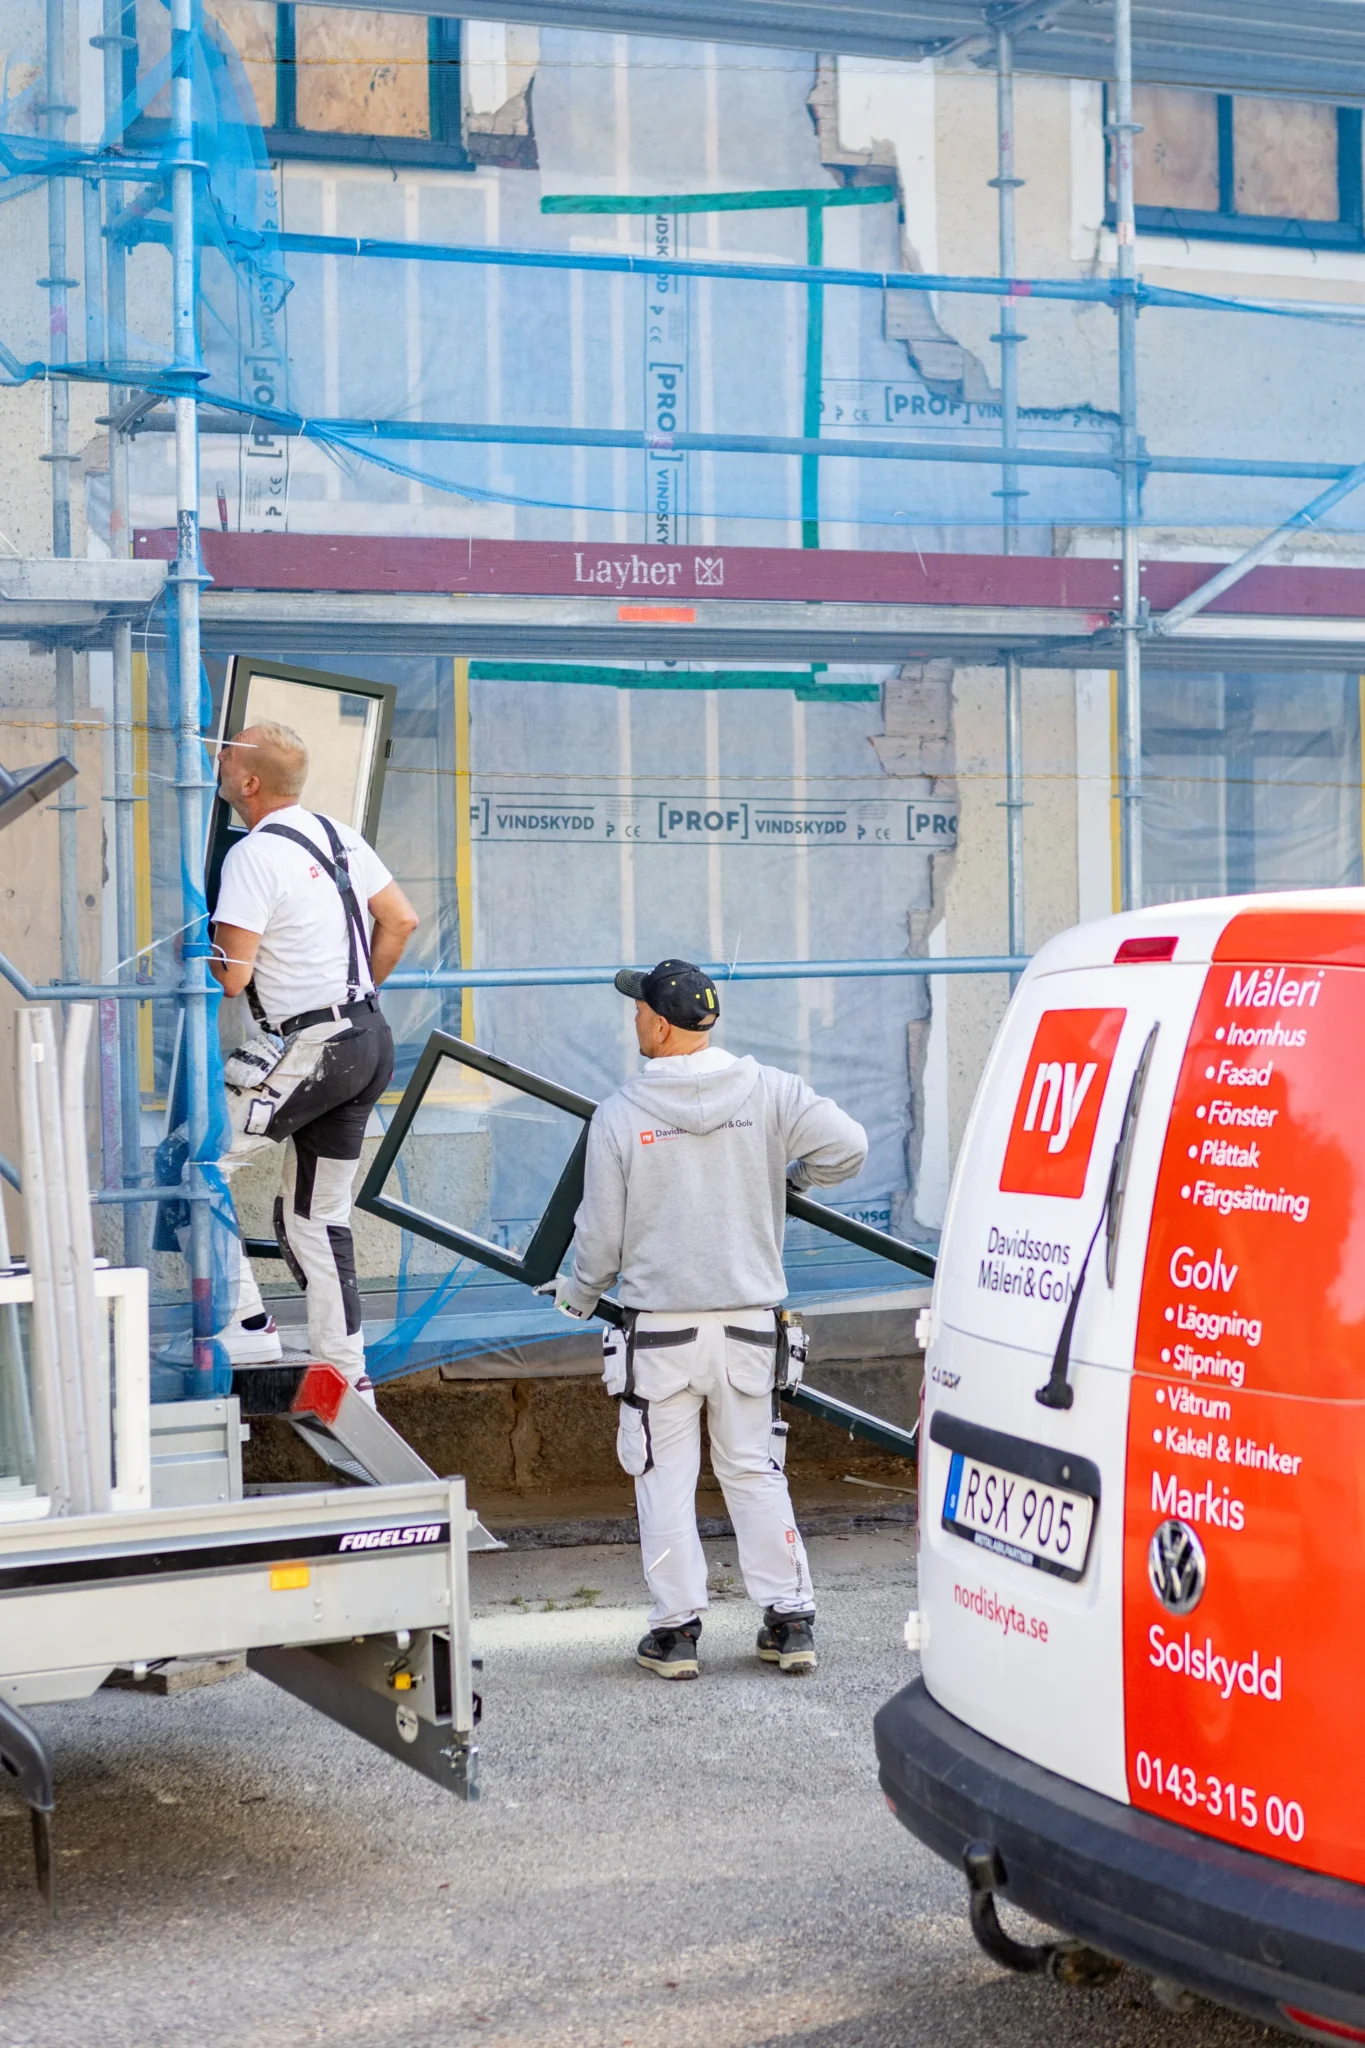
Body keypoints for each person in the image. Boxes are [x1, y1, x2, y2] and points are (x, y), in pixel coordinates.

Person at [555, 958, 868, 1680]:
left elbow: (600, 1236)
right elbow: (847, 1147)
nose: (632, 1017)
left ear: (661, 1026)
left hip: (660, 1334)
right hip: (750, 1327)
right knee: (753, 1471)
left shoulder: (621, 1114)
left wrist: (577, 1292)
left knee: (664, 1477)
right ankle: (789, 1622)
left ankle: (675, 1634)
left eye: (638, 1009)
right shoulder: (770, 1091)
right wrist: (791, 1179)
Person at [161, 720, 419, 1397]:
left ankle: (243, 1322)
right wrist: (353, 996)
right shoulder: (337, 836)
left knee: (192, 1164)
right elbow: (401, 920)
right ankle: (347, 1367)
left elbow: (233, 978)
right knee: (316, 1215)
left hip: (310, 1048)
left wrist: (197, 943)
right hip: (367, 1038)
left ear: (247, 783)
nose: (214, 760)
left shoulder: (251, 855)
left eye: (225, 754)